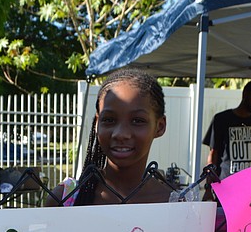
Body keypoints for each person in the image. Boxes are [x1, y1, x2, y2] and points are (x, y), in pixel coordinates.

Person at [44, 68, 171, 206]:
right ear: (97, 124)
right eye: (109, 120)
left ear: (159, 126)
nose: (121, 134)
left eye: (137, 121)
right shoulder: (65, 198)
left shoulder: (176, 203)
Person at [202, 80, 251, 179]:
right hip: (226, 182)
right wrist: (210, 181)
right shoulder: (222, 119)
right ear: (245, 94)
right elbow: (213, 153)